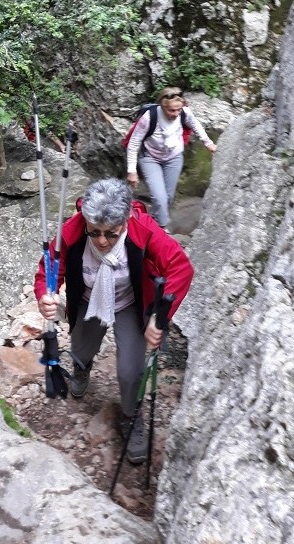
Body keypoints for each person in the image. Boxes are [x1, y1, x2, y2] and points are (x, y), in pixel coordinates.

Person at [34, 177, 194, 465]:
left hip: (129, 304)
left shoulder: (143, 230)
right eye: (94, 233)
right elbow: (49, 266)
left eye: (111, 233)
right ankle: (83, 369)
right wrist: (46, 295)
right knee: (81, 351)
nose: (102, 241)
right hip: (88, 299)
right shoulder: (72, 230)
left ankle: (132, 416)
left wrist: (159, 317)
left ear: (127, 220)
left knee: (130, 371)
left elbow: (180, 268)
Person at [126, 87, 217, 231]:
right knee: (160, 198)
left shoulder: (184, 112)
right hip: (150, 158)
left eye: (178, 110)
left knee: (167, 197)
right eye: (171, 111)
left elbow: (195, 125)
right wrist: (132, 171)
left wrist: (208, 143)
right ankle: (161, 229)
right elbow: (134, 142)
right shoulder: (150, 117)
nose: (176, 114)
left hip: (173, 157)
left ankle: (155, 220)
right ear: (162, 106)